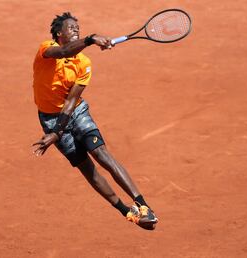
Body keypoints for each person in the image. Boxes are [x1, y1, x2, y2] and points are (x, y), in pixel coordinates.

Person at [32, 12, 158, 230]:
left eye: (78, 29)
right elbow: (62, 51)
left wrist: (57, 133)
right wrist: (90, 39)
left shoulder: (84, 63)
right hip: (50, 119)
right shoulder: (46, 49)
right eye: (71, 28)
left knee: (102, 154)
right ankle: (127, 212)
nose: (76, 30)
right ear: (59, 33)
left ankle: (143, 205)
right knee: (88, 170)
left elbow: (71, 102)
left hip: (76, 113)